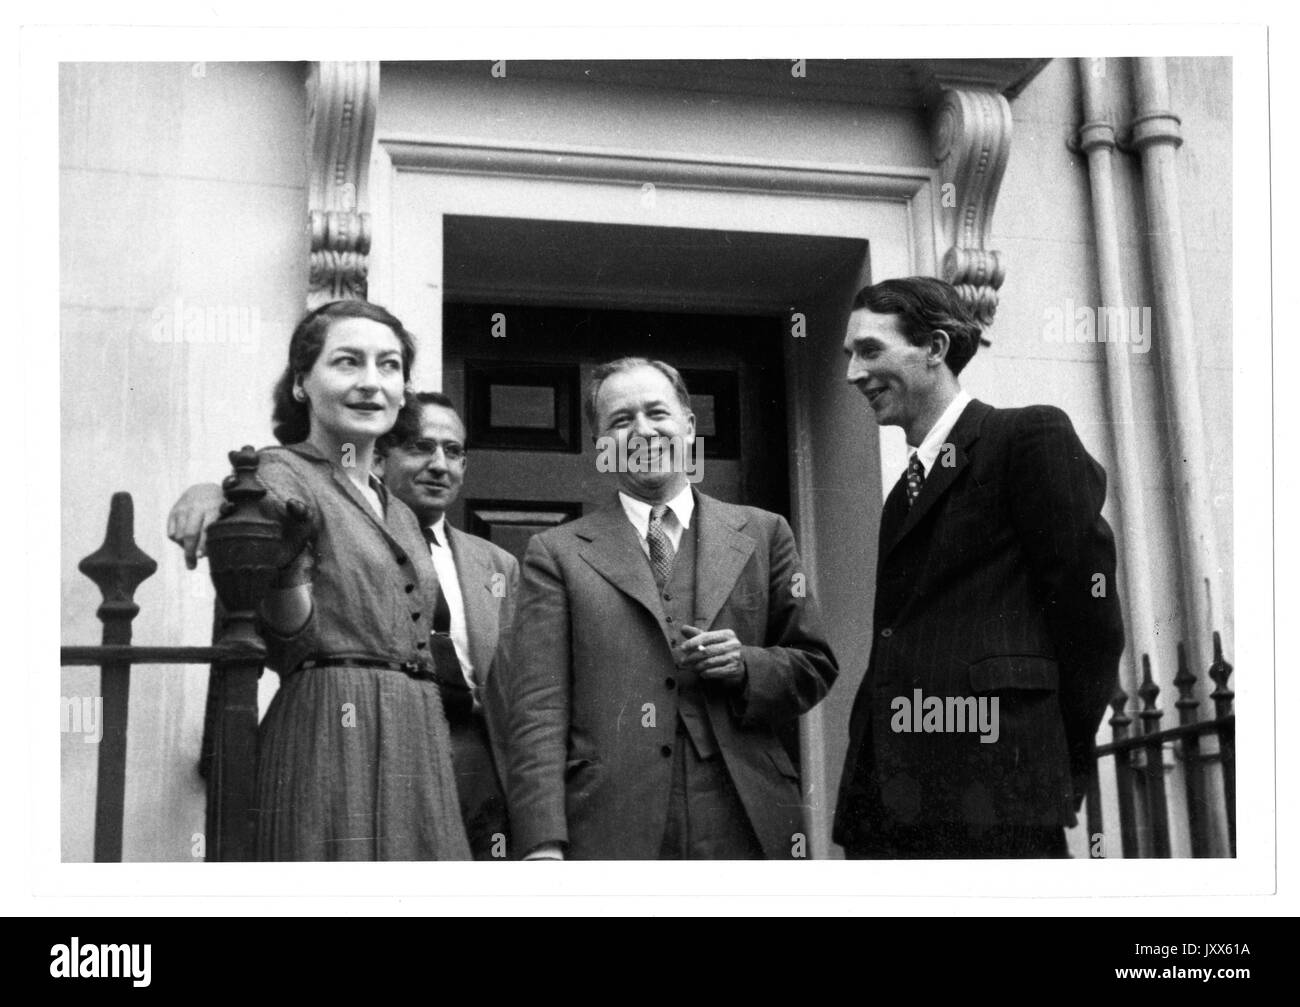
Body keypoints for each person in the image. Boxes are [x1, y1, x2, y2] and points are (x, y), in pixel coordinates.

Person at [494, 357, 838, 860]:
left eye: (657, 413)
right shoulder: (557, 553)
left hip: (746, 811)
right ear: (601, 446)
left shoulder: (765, 533)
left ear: (689, 426)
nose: (642, 431)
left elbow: (815, 663)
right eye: (620, 420)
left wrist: (747, 665)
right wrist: (543, 841)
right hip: (610, 819)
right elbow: (537, 709)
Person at [832, 276, 1125, 859]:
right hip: (888, 807)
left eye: (870, 351)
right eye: (849, 356)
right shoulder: (901, 496)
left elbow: (1089, 616)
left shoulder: (1026, 436)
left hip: (998, 790)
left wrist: (1051, 754)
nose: (852, 374)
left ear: (936, 348)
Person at [169, 300, 470, 860]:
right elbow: (261, 505)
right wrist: (215, 492)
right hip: (331, 727)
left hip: (416, 737)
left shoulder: (399, 510)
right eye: (347, 362)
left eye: (389, 365)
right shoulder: (283, 469)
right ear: (302, 383)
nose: (371, 383)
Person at [373, 392, 519, 860]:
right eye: (421, 447)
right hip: (387, 755)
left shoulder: (497, 564)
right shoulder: (353, 548)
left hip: (478, 758)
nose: (440, 465)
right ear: (379, 456)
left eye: (453, 452)